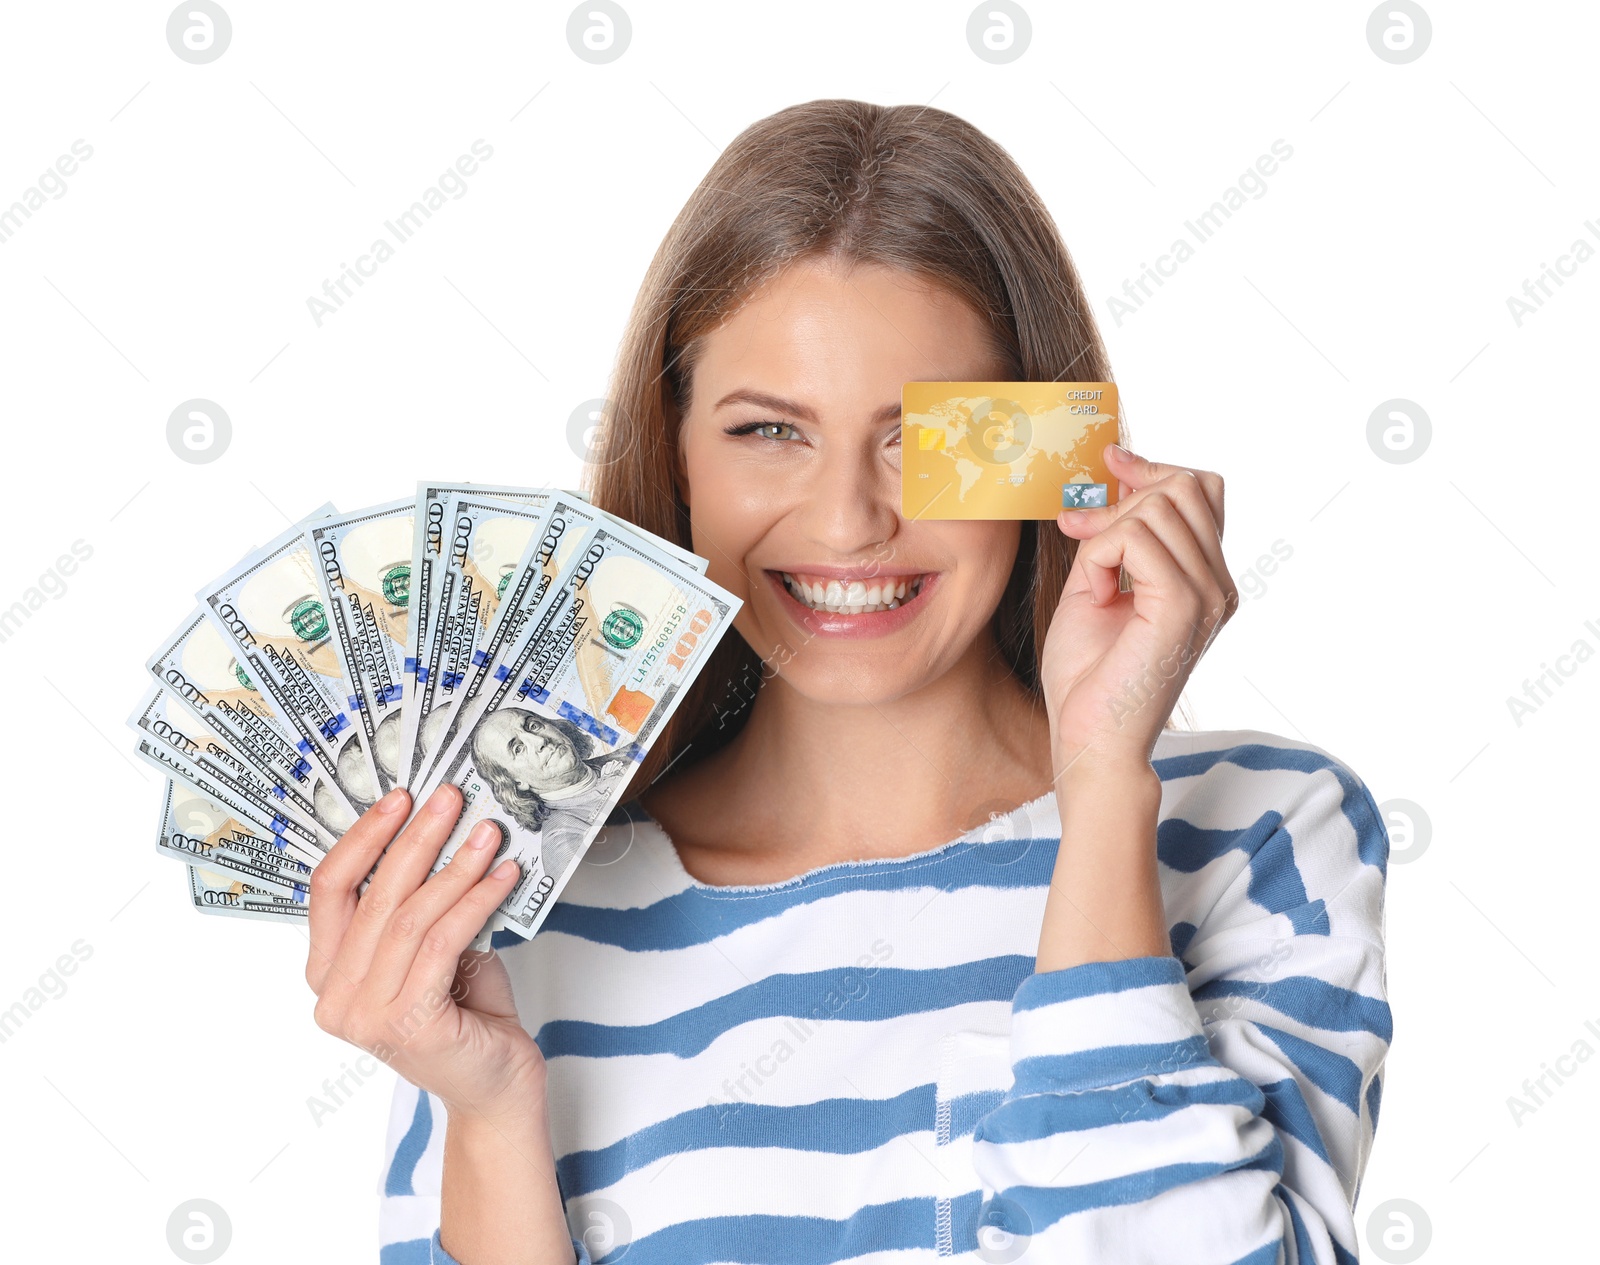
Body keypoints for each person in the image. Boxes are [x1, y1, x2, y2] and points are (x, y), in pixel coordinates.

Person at [305, 99, 1391, 1264]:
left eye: (916, 439)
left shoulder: (1256, 830)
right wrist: (488, 1107)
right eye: (769, 431)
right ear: (673, 454)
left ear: (1045, 452)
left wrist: (1104, 790)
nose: (847, 520)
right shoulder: (521, 900)